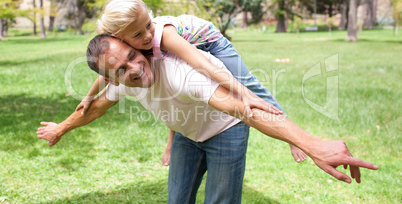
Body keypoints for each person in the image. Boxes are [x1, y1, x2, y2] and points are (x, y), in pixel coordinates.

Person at [37, 35, 378, 203]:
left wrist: (312, 144)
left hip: (225, 131)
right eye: (122, 70)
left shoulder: (179, 73)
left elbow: (242, 108)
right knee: (178, 199)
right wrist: (62, 128)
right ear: (111, 79)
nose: (136, 67)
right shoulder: (123, 86)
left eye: (133, 56)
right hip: (188, 135)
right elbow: (96, 107)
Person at [75, 0, 307, 165]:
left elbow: (201, 63)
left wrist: (245, 93)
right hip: (189, 53)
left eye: (148, 25)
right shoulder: (126, 49)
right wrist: (88, 96)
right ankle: (173, 143)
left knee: (248, 84)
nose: (147, 35)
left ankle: (289, 133)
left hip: (211, 43)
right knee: (175, 93)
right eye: (138, 34)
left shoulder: (161, 35)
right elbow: (111, 71)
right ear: (120, 39)